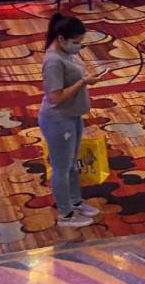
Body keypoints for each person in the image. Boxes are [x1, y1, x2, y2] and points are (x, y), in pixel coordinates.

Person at [39, 13, 102, 228]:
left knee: (72, 164)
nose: (79, 47)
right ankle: (65, 214)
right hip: (58, 119)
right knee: (62, 167)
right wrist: (83, 82)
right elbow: (54, 98)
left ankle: (75, 201)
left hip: (72, 115)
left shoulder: (64, 54)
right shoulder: (53, 61)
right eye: (76, 43)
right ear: (61, 38)